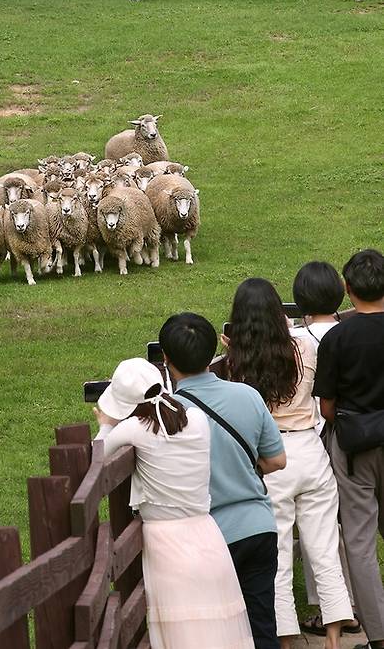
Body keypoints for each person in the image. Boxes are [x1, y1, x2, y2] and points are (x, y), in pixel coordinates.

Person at [226, 278, 353, 649]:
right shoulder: (303, 349)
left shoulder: (241, 363)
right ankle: (333, 636)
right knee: (325, 549)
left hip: (272, 458)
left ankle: (284, 637)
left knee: (278, 554)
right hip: (311, 453)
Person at [94, 356, 254, 649]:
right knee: (216, 627)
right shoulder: (196, 419)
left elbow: (96, 458)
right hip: (207, 534)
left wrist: (106, 424)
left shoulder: (134, 430)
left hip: (166, 542)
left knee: (182, 633)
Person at [159, 312, 286, 649]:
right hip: (258, 527)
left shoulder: (168, 413)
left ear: (166, 359)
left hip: (208, 537)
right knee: (262, 626)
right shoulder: (247, 395)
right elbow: (277, 460)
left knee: (216, 634)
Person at [314, 248, 384, 649]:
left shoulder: (338, 337)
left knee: (358, 540)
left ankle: (378, 634)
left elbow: (327, 407)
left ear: (347, 288)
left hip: (355, 445)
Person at [290, 260, 360, 639]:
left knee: (317, 525)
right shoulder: (348, 330)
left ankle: (329, 609)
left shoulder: (297, 341)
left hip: (312, 437)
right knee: (350, 525)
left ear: (300, 300)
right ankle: (350, 603)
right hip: (351, 433)